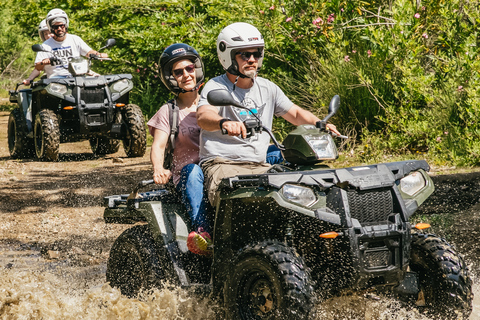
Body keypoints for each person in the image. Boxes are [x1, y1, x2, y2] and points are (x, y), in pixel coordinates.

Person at [197, 22, 341, 207]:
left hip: (260, 165)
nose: (252, 59)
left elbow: (295, 113)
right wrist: (224, 122)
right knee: (241, 201)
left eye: (256, 53)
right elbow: (203, 116)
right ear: (228, 56)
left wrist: (320, 123)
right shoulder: (216, 86)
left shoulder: (267, 87)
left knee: (302, 193)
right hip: (222, 164)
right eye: (245, 54)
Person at [147, 43, 212, 256]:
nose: (186, 75)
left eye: (189, 69)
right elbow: (158, 145)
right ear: (171, 77)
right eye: (178, 71)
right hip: (187, 176)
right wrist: (158, 168)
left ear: (197, 70)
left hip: (217, 170)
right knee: (193, 171)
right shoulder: (169, 111)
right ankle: (202, 234)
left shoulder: (214, 102)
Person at [34, 9, 107, 78]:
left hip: (77, 75)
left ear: (65, 25)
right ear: (51, 28)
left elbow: (88, 52)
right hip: (56, 80)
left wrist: (98, 54)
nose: (59, 29)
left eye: (61, 26)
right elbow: (37, 67)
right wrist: (44, 62)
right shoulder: (45, 45)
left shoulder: (75, 39)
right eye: (56, 27)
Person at [23, 19, 53, 85]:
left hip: (70, 76)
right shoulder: (43, 47)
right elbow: (38, 68)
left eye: (50, 33)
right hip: (52, 79)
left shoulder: (67, 42)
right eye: (45, 34)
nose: (48, 36)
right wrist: (29, 79)